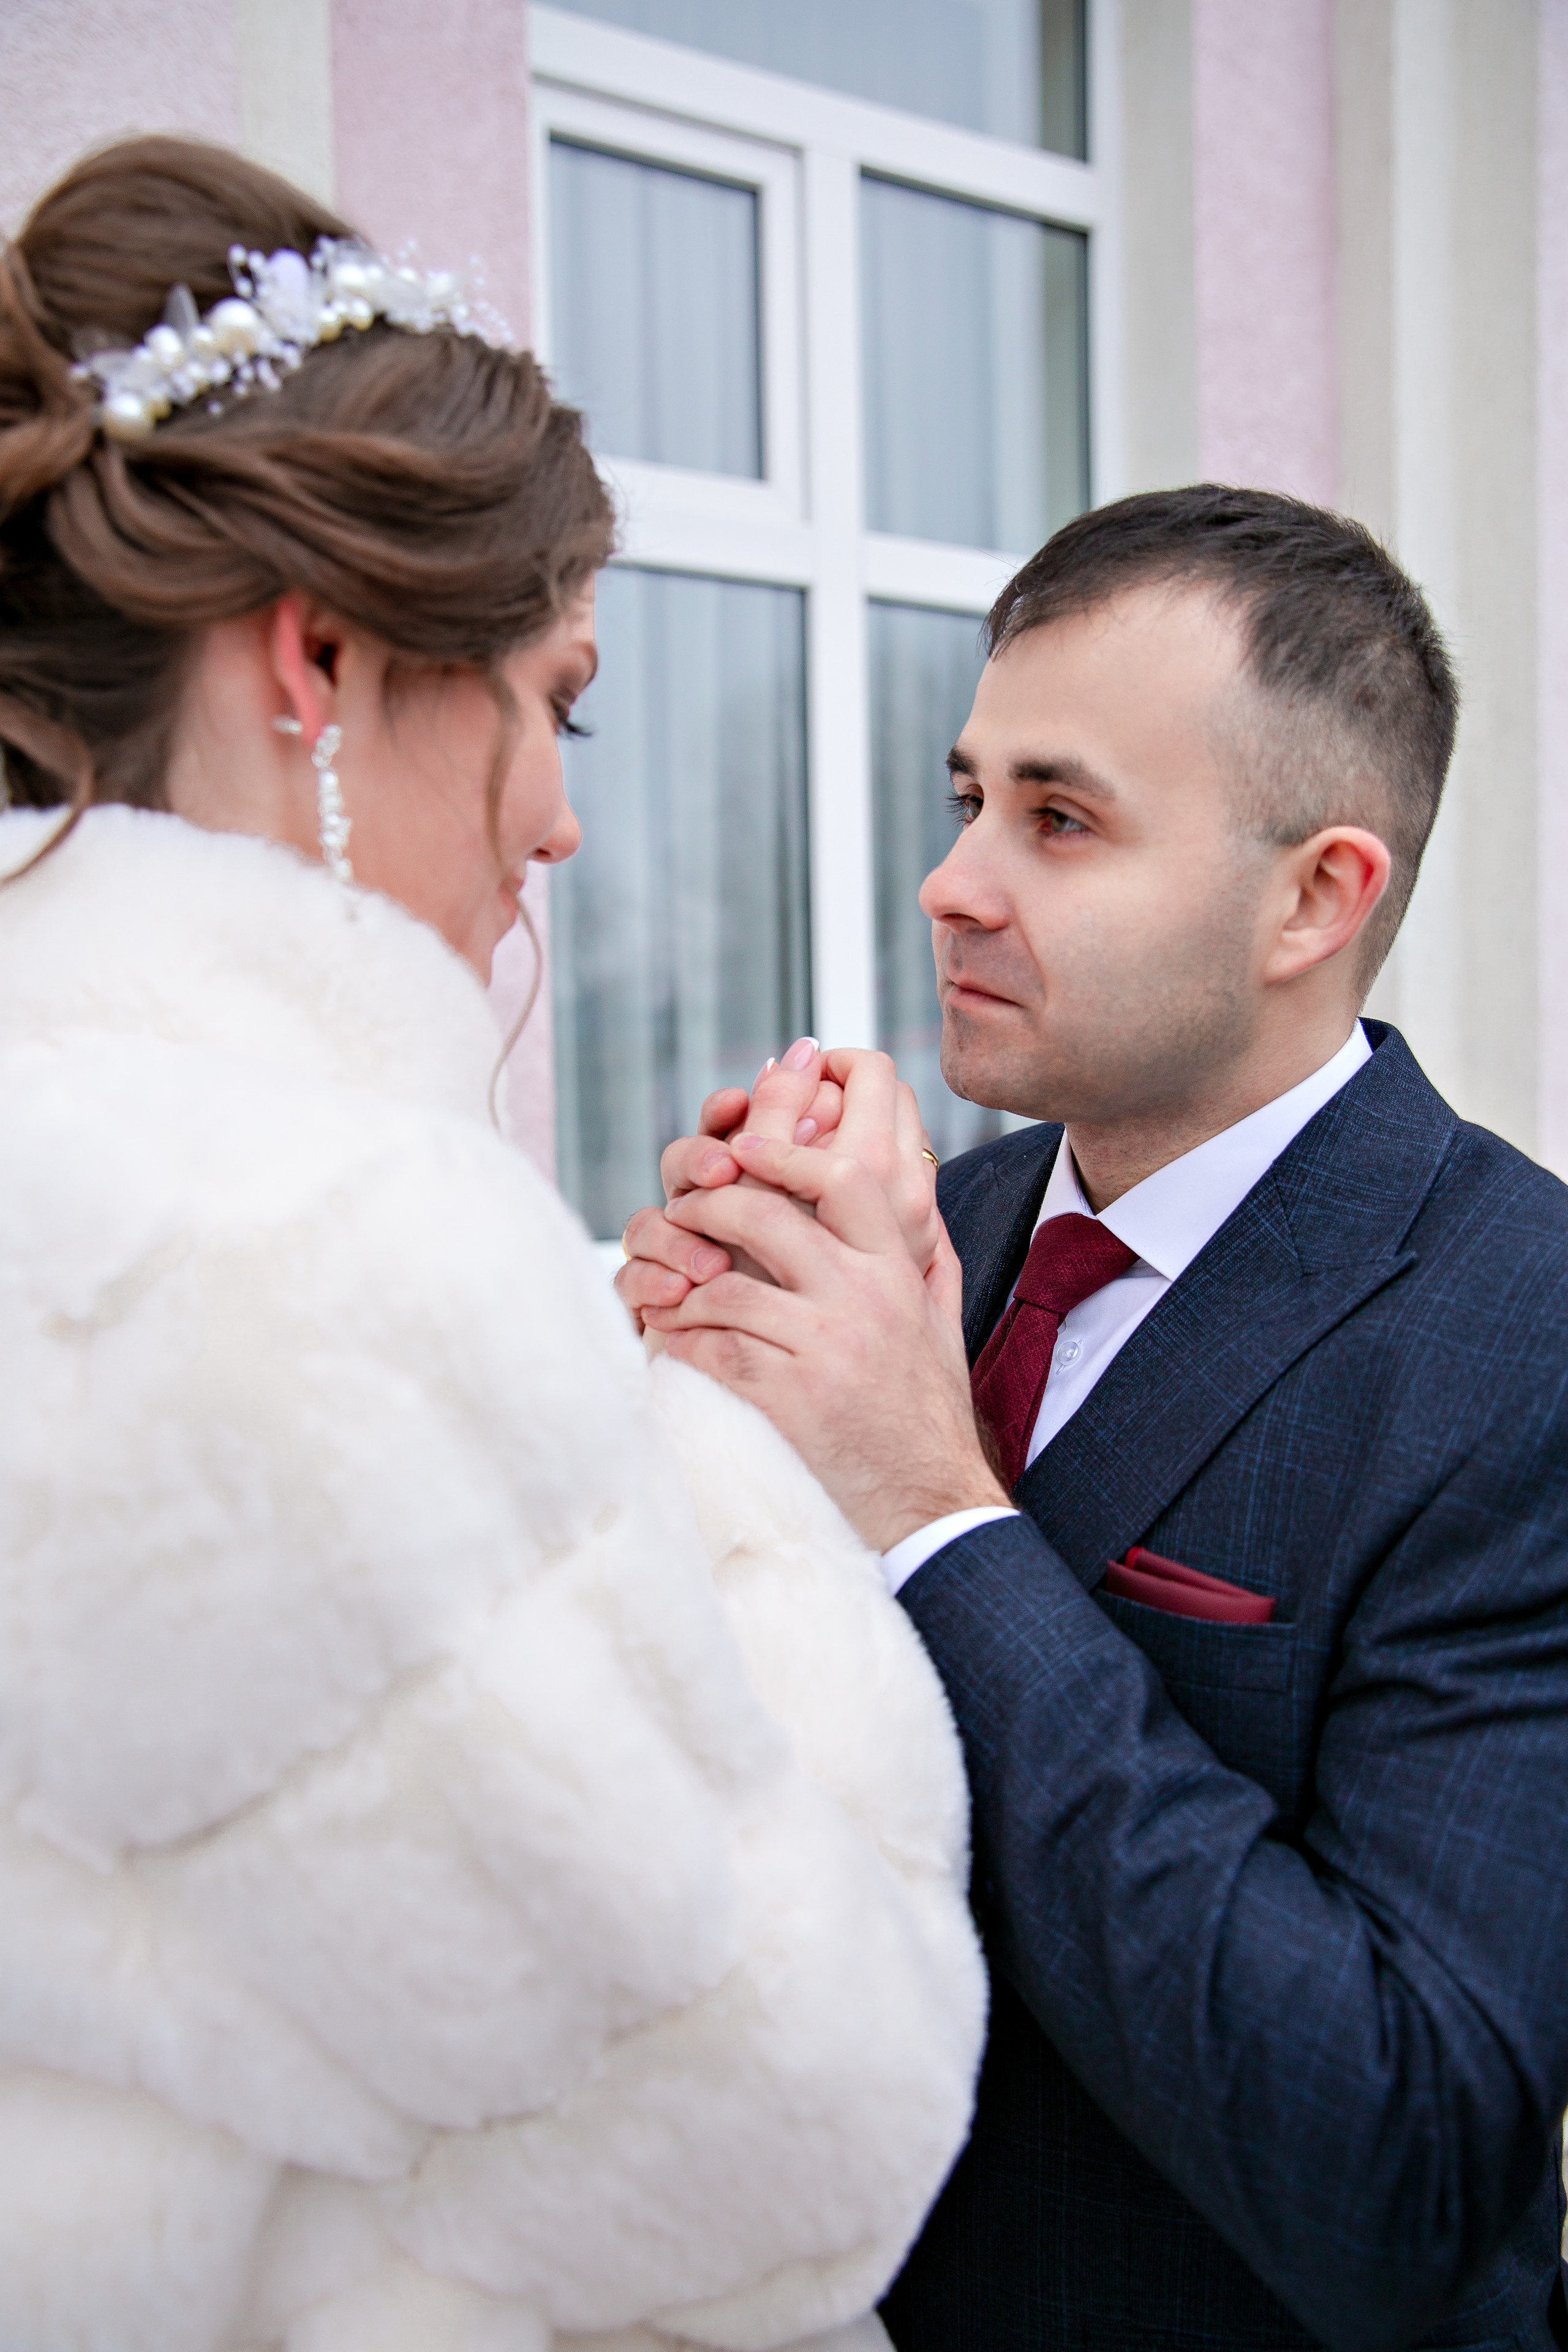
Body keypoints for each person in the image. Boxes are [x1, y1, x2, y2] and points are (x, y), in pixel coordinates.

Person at [0, 136, 987, 2352]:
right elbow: (796, 2127)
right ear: (321, 654)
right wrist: (752, 1464)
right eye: (561, 697)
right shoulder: (299, 1258)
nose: (562, 816)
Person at [619, 488, 1568, 2351]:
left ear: (1319, 895)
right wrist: (688, 1441)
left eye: (1060, 819)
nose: (954, 882)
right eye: (970, 797)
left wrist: (926, 1505)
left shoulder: (1521, 1338)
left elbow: (1402, 2165)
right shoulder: (916, 1245)